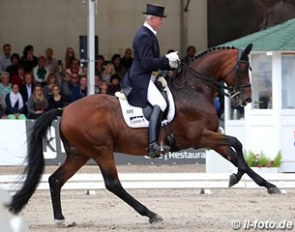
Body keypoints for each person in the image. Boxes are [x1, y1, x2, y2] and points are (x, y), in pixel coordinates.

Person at [122, 3, 179, 158]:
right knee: (160, 103)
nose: (162, 21)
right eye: (160, 18)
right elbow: (147, 63)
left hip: (148, 75)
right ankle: (152, 144)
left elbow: (150, 63)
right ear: (152, 18)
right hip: (140, 78)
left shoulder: (149, 34)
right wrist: (166, 59)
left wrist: (166, 67)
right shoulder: (144, 36)